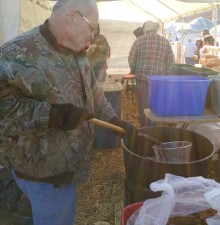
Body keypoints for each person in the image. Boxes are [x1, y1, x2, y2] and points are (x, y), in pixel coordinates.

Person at [0, 0, 134, 224]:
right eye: (93, 27)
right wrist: (53, 115)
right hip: (43, 175)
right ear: (71, 17)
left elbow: (94, 93)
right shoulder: (16, 53)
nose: (94, 34)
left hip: (68, 168)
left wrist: (115, 121)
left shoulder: (78, 52)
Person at [128, 20, 175, 127]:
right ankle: (155, 126)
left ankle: (145, 128)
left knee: (143, 107)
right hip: (159, 81)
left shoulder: (138, 40)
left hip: (142, 79)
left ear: (145, 29)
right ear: (155, 29)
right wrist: (166, 75)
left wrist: (134, 70)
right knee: (156, 106)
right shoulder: (165, 41)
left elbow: (131, 58)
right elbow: (170, 61)